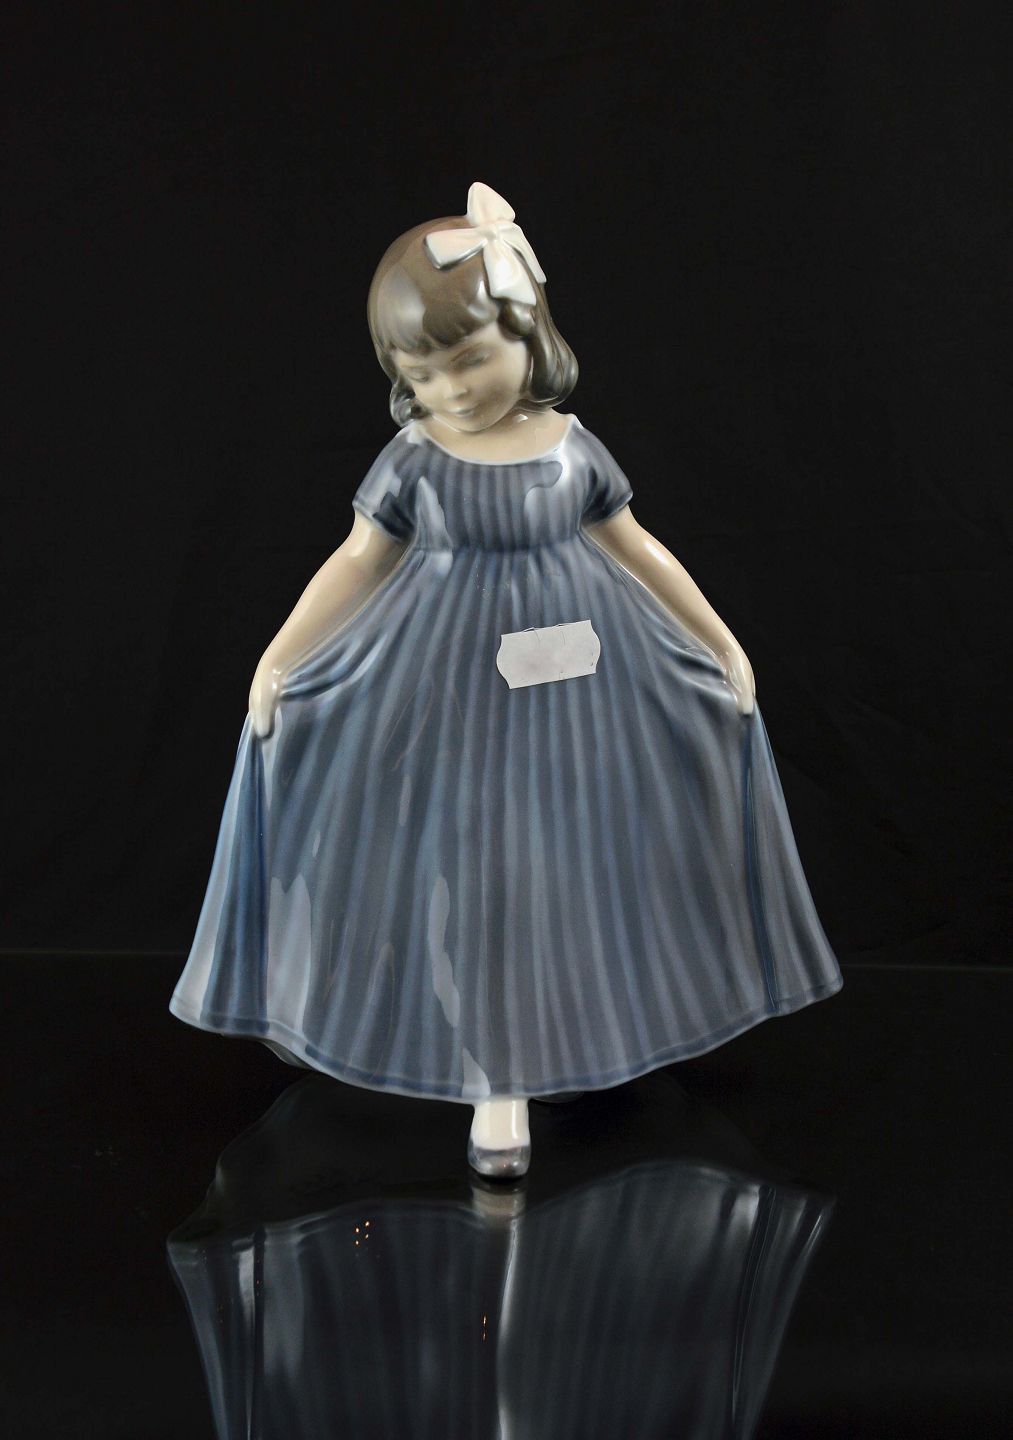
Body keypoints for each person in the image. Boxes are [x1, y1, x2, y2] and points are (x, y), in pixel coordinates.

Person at [170, 182, 842, 1179]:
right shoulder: (414, 461)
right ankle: (497, 1076)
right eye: (421, 373)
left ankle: (576, 1030)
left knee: (572, 857)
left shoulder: (572, 449)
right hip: (450, 690)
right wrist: (279, 658)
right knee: (479, 867)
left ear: (528, 332)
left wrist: (717, 640)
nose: (450, 392)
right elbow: (356, 562)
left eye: (471, 360)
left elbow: (635, 547)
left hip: (587, 689)